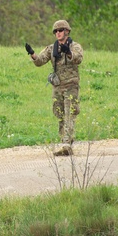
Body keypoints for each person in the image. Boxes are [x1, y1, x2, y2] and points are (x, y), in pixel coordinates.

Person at [26, 19, 83, 156]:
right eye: (56, 31)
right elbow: (40, 61)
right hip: (57, 86)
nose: (58, 33)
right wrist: (32, 53)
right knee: (60, 114)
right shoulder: (52, 48)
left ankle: (66, 143)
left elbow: (78, 58)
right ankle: (64, 143)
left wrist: (68, 52)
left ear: (67, 31)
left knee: (70, 113)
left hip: (71, 85)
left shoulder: (74, 46)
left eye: (61, 30)